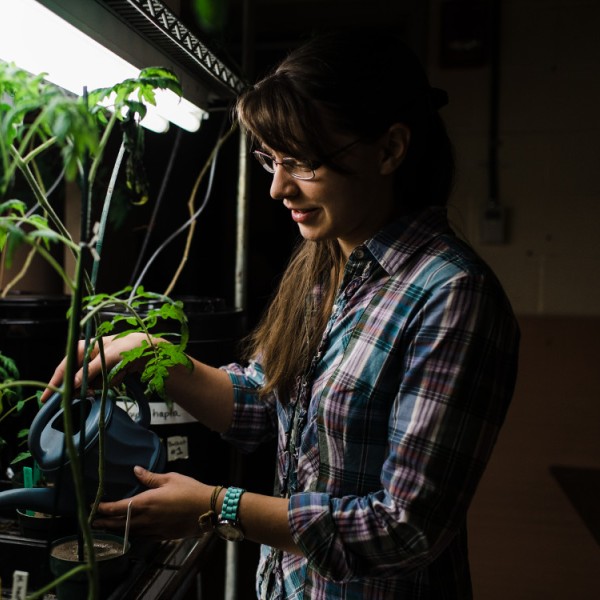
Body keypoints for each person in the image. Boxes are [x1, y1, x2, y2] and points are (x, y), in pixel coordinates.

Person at [43, 28, 520, 600]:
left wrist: (217, 508)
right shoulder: (325, 267)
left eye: (301, 162)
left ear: (390, 149)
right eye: (270, 158)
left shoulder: (452, 296)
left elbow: (403, 529)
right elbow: (266, 406)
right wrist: (151, 354)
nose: (277, 188)